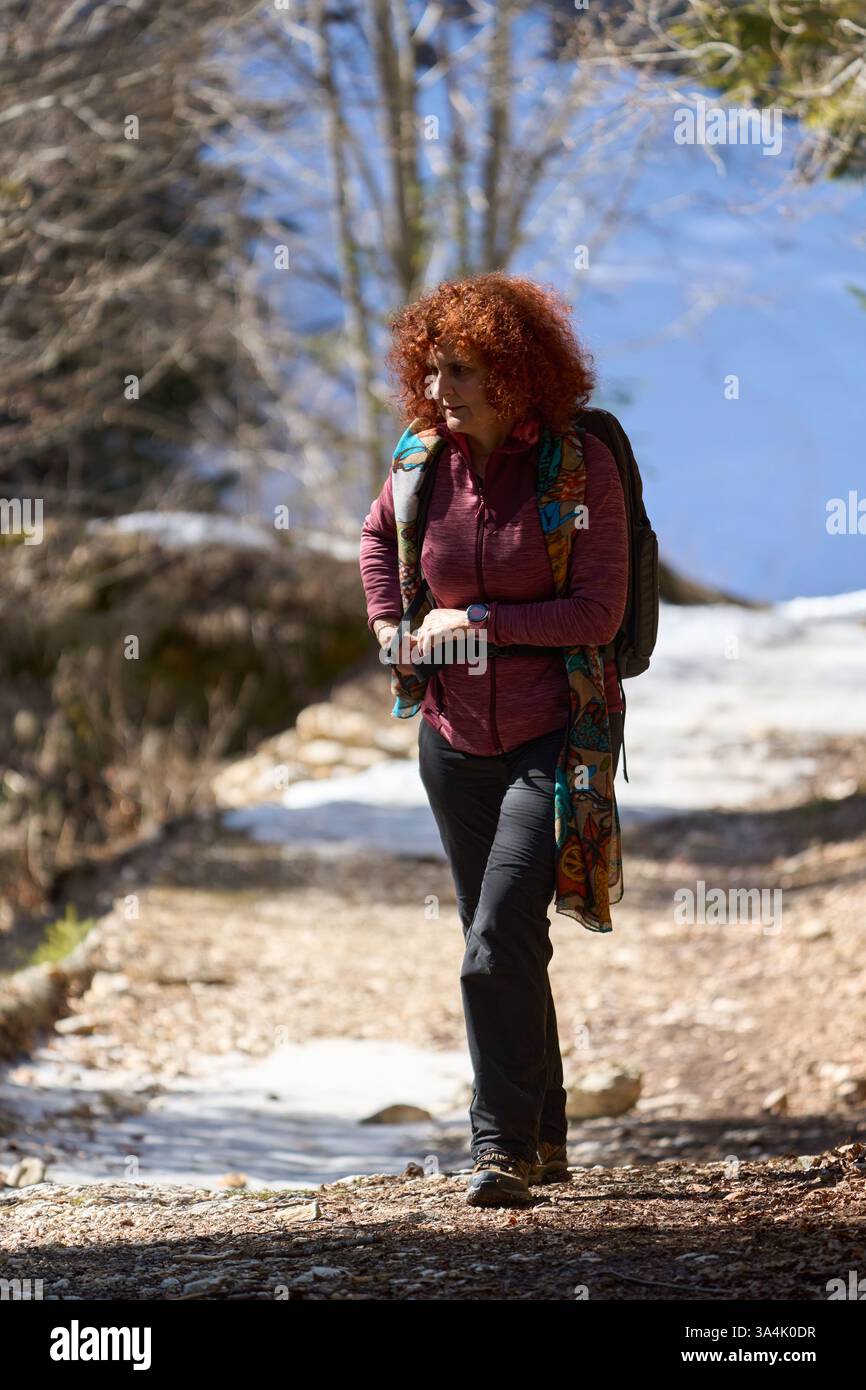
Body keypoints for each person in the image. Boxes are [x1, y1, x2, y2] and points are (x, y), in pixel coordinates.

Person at [359, 272, 628, 1206]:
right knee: (505, 940)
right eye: (433, 370)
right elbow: (376, 540)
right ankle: (545, 1136)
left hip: (552, 738)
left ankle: (499, 1147)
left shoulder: (576, 468)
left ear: (516, 374)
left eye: (463, 371)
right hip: (450, 741)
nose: (442, 390)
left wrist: (475, 620)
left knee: (493, 941)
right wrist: (391, 626)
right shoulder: (420, 460)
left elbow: (597, 611)